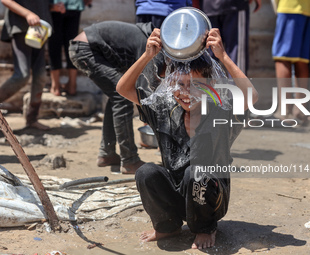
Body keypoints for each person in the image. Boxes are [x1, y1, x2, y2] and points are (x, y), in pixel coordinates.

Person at [116, 28, 258, 249]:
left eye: (196, 85)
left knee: (196, 172)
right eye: (180, 85)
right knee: (146, 172)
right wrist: (148, 55)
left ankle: (205, 228)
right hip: (176, 196)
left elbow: (251, 96)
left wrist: (223, 57)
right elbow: (122, 88)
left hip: (210, 198)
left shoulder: (220, 112)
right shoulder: (165, 110)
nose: (186, 92)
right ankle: (167, 226)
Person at [68, 21, 151, 173]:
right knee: (122, 97)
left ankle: (107, 154)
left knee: (116, 97)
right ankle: (130, 160)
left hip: (84, 48)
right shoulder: (146, 44)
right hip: (86, 50)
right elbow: (142, 87)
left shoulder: (141, 37)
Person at [0, 0, 60, 130]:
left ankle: (32, 119)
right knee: (21, 76)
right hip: (21, 26)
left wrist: (54, 7)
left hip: (40, 29)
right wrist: (27, 14)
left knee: (41, 76)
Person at [272, 0, 310, 123]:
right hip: (308, 8)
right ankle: (300, 110)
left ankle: (284, 112)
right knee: (301, 60)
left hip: (289, 7)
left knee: (282, 59)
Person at [199, 0, 262, 75]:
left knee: (208, 58)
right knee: (236, 56)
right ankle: (238, 86)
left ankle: (207, 85)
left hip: (208, 6)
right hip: (234, 5)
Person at [48, 0, 92, 96]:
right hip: (74, 4)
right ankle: (72, 85)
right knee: (72, 44)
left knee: (54, 44)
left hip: (55, 4)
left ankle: (55, 86)